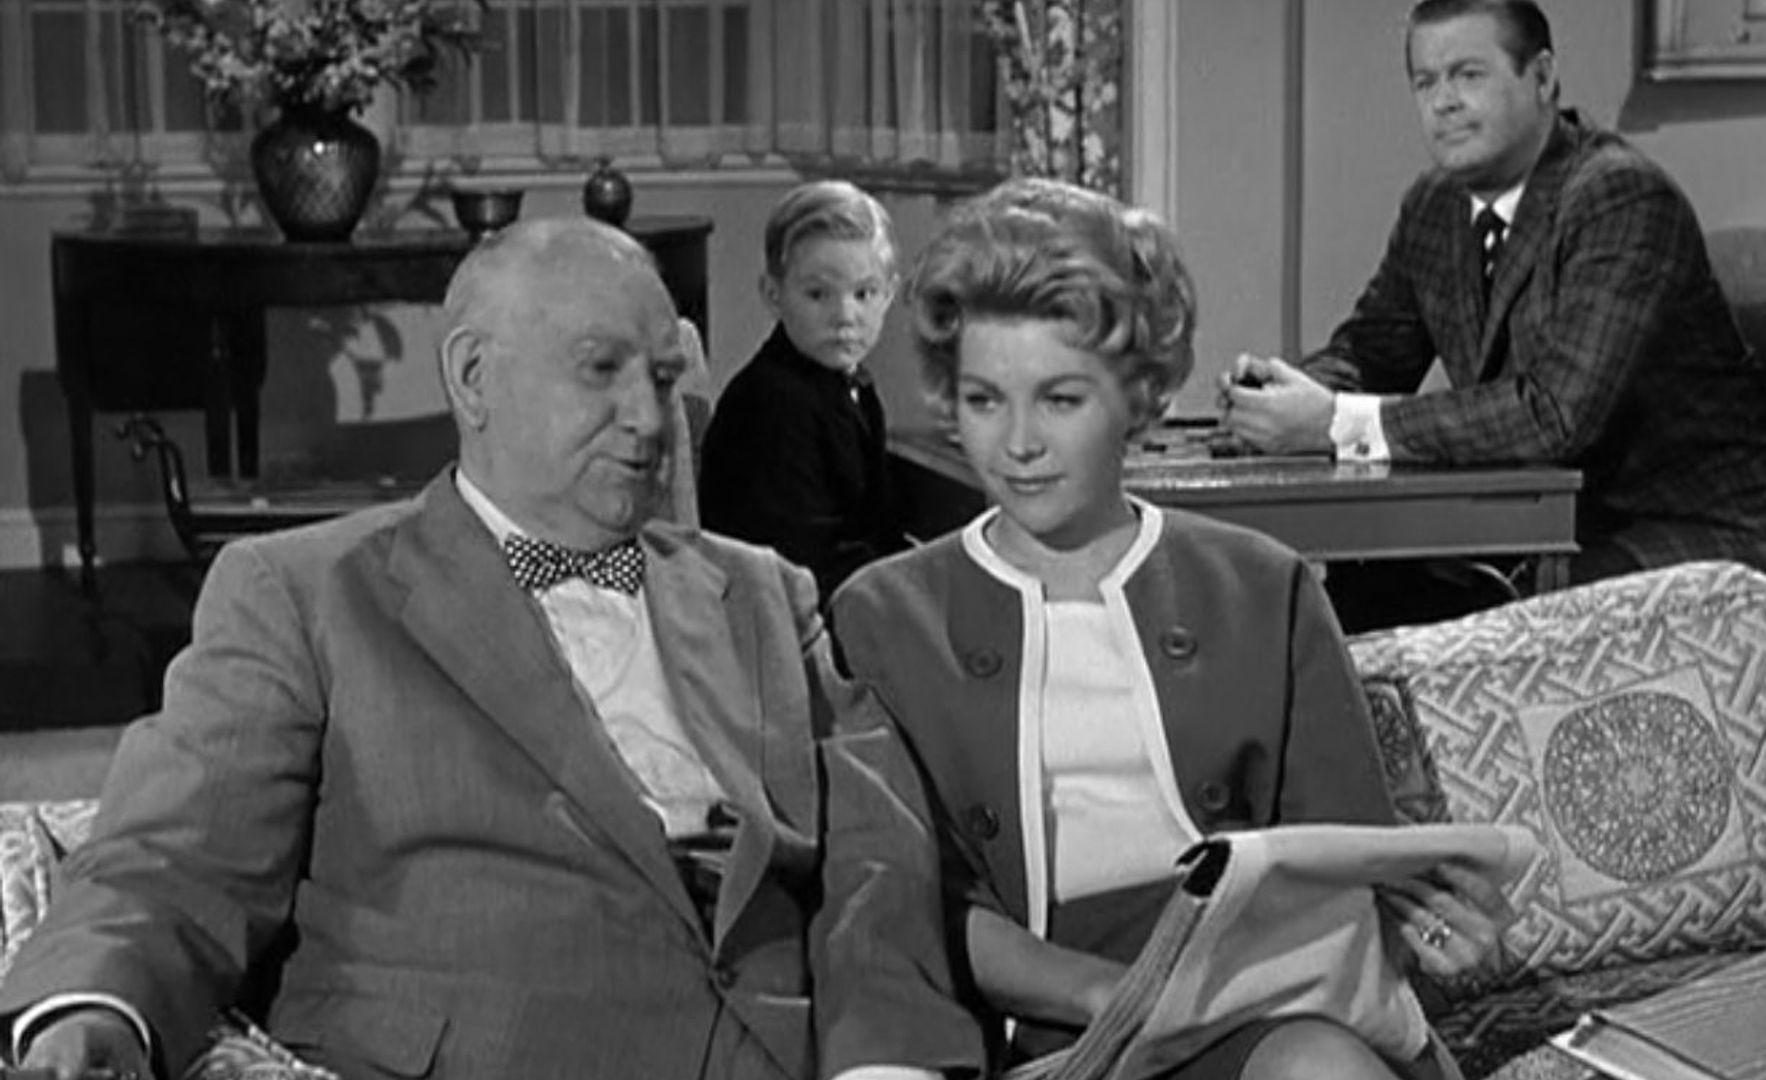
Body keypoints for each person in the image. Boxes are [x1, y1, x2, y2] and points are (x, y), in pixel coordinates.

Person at [0, 218, 980, 1080]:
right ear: (474, 377)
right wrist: (93, 1010)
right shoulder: (303, 593)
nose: (649, 419)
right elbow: (175, 854)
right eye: (601, 370)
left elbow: (878, 851)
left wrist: (883, 1061)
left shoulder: (763, 592)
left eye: (662, 377)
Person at [830, 179, 1511, 1080]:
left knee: (1321, 1069)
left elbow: (1345, 857)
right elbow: (913, 902)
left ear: (1140, 396)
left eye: (1060, 399)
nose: (1019, 442)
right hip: (1060, 1029)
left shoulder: (1263, 585)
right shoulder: (883, 616)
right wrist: (1118, 998)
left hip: (1262, 1006)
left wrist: (1430, 921)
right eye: (985, 400)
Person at [1221, 0, 1766, 592]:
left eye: (1468, 75)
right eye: (1425, 82)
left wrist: (1333, 423)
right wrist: (1279, 399)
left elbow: (1555, 415)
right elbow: (1373, 351)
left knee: (1427, 604)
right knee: (1335, 593)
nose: (1443, 102)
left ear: (1543, 78)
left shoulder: (1620, 198)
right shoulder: (1435, 205)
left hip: (1696, 532)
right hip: (1542, 529)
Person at [699, 179, 910, 600]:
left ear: (889, 294)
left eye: (864, 293)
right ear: (773, 295)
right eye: (818, 294)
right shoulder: (771, 404)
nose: (845, 315)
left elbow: (873, 527)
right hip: (783, 612)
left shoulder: (852, 384)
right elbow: (806, 559)